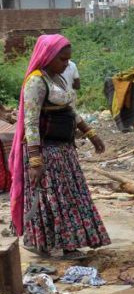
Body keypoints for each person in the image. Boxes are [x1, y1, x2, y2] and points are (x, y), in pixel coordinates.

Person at [8, 34, 110, 260]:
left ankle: (65, 243)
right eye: (62, 59)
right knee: (54, 199)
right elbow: (31, 122)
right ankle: (54, 245)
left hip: (63, 150)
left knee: (69, 196)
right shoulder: (36, 82)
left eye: (68, 59)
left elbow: (70, 110)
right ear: (48, 56)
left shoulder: (57, 79)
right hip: (46, 151)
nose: (66, 64)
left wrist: (90, 133)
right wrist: (35, 161)